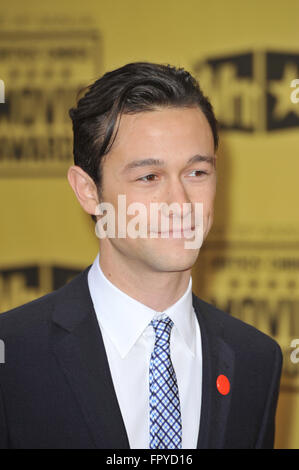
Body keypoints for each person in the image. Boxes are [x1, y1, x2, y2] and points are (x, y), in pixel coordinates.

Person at [0, 62, 282, 449]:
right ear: (87, 191)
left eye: (197, 172)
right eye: (149, 177)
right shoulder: (12, 355)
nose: (181, 203)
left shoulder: (256, 360)